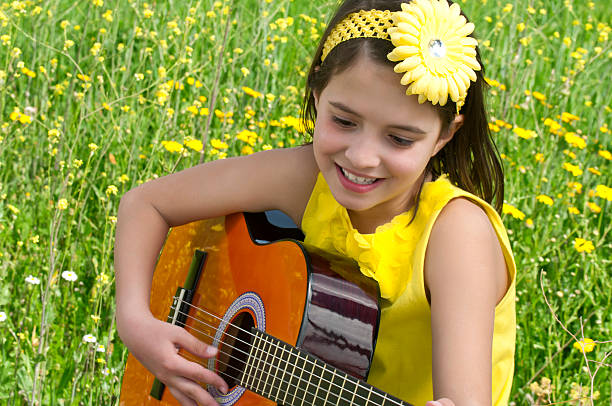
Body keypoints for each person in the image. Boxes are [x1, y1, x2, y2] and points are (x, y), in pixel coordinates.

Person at [114, 0, 516, 405]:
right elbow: (145, 205)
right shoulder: (305, 178)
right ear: (317, 93)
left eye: (399, 139)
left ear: (445, 135)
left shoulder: (457, 236)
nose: (361, 157)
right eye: (343, 121)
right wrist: (135, 322)